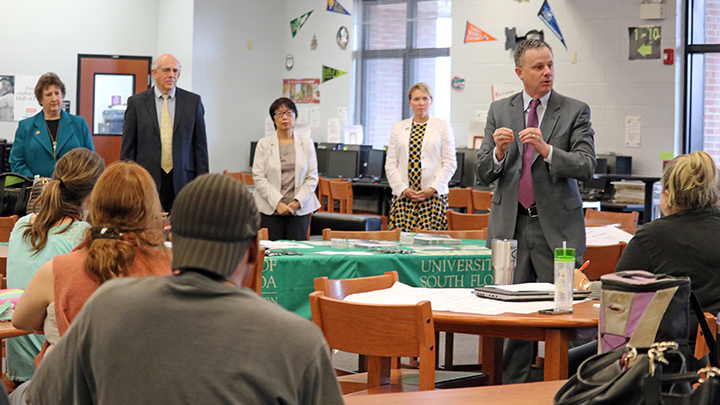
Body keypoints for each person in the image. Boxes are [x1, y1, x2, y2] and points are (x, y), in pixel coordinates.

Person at [26, 174, 344, 404]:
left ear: (172, 239)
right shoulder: (298, 343)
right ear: (252, 249)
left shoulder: (107, 306)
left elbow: (42, 395)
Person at [475, 39, 596, 384]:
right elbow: (482, 173)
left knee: (567, 314)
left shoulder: (575, 110)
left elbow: (587, 165)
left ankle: (573, 388)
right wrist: (498, 153)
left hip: (555, 228)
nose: (547, 72)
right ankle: (513, 391)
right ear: (520, 72)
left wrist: (547, 150)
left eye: (550, 65)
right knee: (512, 320)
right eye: (538, 67)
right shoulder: (500, 110)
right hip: (509, 229)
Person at [11, 161, 172, 402]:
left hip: (64, 393)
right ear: (152, 211)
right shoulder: (172, 269)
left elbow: (21, 320)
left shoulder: (57, 269)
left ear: (94, 205)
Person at [575, 151, 720, 351]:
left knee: (573, 364)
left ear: (668, 195)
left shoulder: (654, 236)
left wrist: (582, 285)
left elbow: (617, 294)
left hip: (665, 352)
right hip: (713, 350)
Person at [5, 148, 104, 386]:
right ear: (92, 196)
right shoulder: (83, 236)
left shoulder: (21, 226)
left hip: (17, 366)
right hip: (53, 372)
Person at [121, 53, 209, 212]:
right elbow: (128, 147)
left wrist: (202, 185)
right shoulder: (136, 103)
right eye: (166, 70)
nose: (171, 75)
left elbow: (200, 148)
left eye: (175, 71)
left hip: (183, 179)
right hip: (147, 179)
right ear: (154, 73)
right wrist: (127, 182)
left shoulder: (193, 102)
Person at [385, 82, 457, 231]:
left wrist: (433, 188)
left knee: (430, 247)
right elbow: (391, 163)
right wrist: (403, 189)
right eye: (416, 99)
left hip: (432, 199)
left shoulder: (442, 126)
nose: (421, 103)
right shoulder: (398, 127)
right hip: (404, 199)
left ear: (431, 101)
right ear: (410, 103)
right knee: (400, 246)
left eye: (425, 98)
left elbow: (450, 163)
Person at [252, 97, 320, 240]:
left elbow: (312, 177)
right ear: (273, 119)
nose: (285, 117)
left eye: (289, 113)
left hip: (299, 210)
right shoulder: (263, 144)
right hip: (270, 209)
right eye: (279, 114)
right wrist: (278, 203)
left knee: (297, 254)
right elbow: (259, 177)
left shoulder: (306, 143)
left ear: (295, 116)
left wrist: (297, 203)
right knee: (271, 254)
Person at [9, 73, 95, 178]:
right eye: (49, 95)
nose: (54, 99)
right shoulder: (26, 127)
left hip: (72, 189)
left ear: (62, 95)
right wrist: (35, 183)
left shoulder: (79, 124)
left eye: (57, 93)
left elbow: (91, 160)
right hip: (36, 190)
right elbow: (16, 162)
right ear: (40, 99)